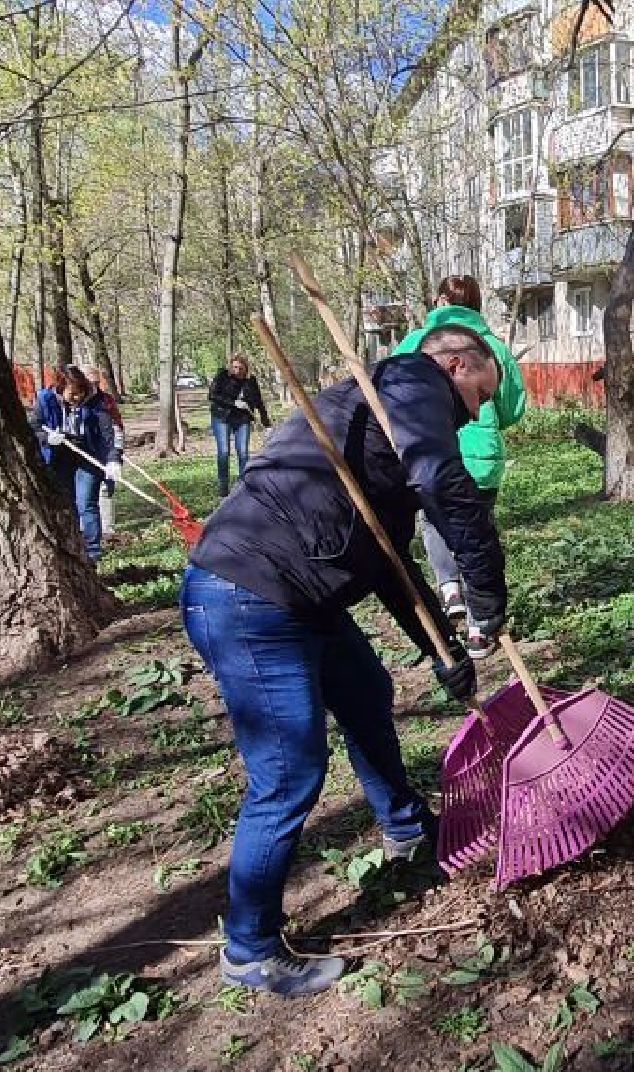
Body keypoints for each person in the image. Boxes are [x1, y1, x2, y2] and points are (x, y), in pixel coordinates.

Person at [183, 324, 508, 999]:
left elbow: (388, 562)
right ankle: (249, 949)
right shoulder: (412, 382)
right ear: (456, 365)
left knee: (365, 690)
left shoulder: (378, 431)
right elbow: (443, 481)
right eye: (479, 396)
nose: (475, 415)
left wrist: (444, 650)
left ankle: (406, 829)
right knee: (287, 773)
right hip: (250, 593)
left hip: (300, 594)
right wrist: (485, 584)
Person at [396, 275, 524, 644]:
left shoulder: (415, 343)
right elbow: (512, 408)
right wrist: (488, 415)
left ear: (439, 302)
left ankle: (450, 588)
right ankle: (479, 626)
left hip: (424, 456)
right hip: (481, 458)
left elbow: (390, 400)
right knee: (477, 531)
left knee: (435, 523)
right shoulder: (493, 348)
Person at [33, 364, 124, 562]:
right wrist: (47, 438)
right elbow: (34, 428)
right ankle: (72, 546)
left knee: (86, 502)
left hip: (88, 455)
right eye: (72, 393)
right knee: (66, 503)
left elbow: (109, 432)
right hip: (60, 457)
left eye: (80, 392)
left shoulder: (98, 401)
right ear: (60, 388)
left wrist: (114, 460)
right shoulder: (45, 400)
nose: (77, 397)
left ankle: (93, 552)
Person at [208, 357, 271, 496]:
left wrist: (267, 425)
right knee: (224, 452)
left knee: (243, 452)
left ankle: (244, 485)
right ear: (230, 367)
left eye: (241, 368)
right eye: (235, 367)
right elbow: (212, 395)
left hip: (242, 419)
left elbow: (259, 402)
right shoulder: (222, 376)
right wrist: (233, 403)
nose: (237, 370)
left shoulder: (251, 381)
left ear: (246, 369)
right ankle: (223, 485)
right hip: (222, 417)